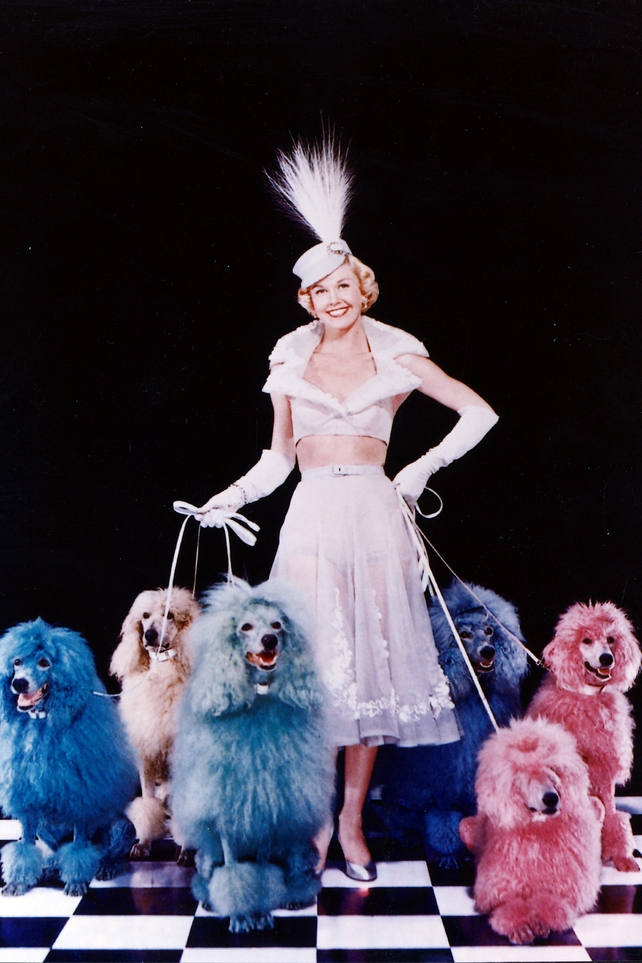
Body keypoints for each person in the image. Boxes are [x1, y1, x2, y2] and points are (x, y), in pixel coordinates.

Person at [192, 141, 498, 881]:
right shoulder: (289, 359)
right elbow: (277, 460)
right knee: (317, 675)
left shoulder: (396, 354)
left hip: (372, 514)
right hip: (311, 519)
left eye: (344, 285)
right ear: (306, 299)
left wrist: (418, 467)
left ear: (363, 288)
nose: (334, 298)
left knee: (370, 671)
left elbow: (479, 413)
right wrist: (228, 498)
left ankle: (352, 824)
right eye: (320, 290)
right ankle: (317, 823)